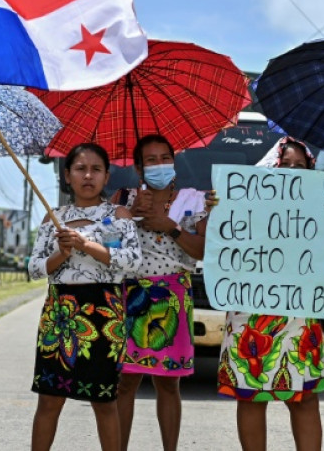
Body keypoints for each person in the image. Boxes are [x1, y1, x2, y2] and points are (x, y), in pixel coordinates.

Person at [28, 143, 142, 451]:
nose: (88, 175)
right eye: (80, 169)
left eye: (96, 169)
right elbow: (35, 268)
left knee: (103, 400)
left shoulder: (118, 214)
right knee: (50, 399)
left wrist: (84, 245)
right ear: (67, 176)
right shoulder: (53, 218)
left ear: (107, 177)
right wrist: (60, 253)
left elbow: (132, 261)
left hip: (105, 314)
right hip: (60, 312)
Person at [216, 137, 324, 451]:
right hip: (249, 314)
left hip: (299, 315)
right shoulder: (243, 205)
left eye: (299, 167)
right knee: (251, 398)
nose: (291, 172)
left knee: (304, 399)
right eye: (285, 165)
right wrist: (218, 210)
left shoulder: (323, 211)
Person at [110, 134, 207, 451]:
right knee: (125, 383)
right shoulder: (123, 198)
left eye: (165, 157)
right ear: (139, 168)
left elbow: (201, 250)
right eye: (151, 160)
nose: (159, 165)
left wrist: (170, 226)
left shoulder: (194, 202)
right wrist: (128, 216)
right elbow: (105, 245)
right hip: (129, 295)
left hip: (174, 296)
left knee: (169, 383)